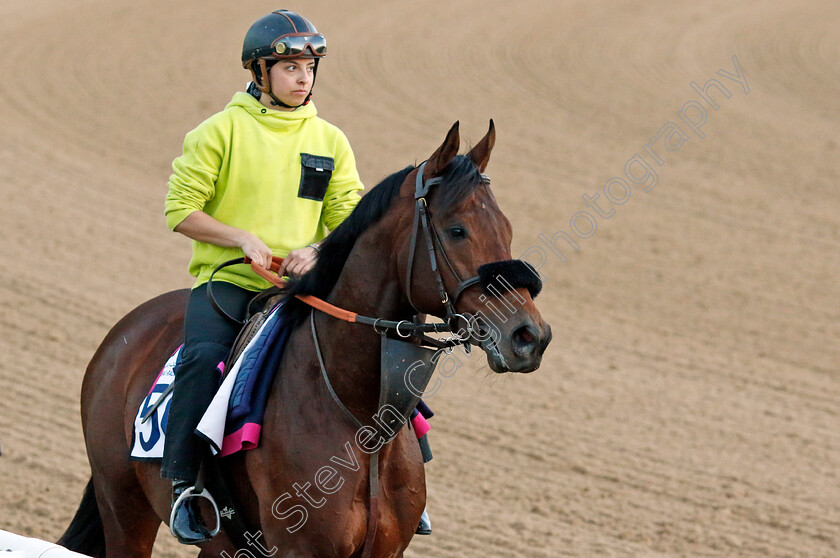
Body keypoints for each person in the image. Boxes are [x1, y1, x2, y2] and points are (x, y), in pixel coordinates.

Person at [161, 9, 364, 544]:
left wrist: (318, 249)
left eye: (310, 67)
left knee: (373, 350)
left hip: (300, 287)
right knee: (203, 359)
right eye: (291, 66)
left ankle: (400, 484)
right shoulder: (218, 131)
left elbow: (349, 218)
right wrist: (240, 237)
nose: (304, 78)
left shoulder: (331, 139)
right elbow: (180, 210)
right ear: (259, 72)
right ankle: (186, 485)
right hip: (228, 282)